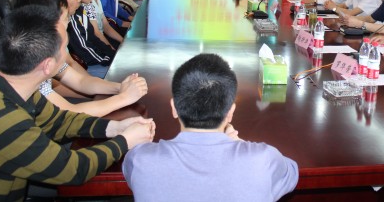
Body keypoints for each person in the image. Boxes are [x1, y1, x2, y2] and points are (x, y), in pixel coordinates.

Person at [0, 5, 155, 201]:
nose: (67, 56)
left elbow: (60, 121)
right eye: (63, 49)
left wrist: (114, 127)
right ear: (47, 65)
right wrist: (125, 141)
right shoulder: (2, 120)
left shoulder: (11, 86)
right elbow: (72, 169)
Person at [123, 53, 298, 202]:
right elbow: (291, 173)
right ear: (230, 113)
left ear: (174, 107)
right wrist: (239, 143)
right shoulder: (262, 160)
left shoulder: (141, 159)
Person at [0, 0, 148, 117]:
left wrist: (119, 87)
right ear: (46, 21)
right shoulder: (29, 59)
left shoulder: (44, 47)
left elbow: (81, 81)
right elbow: (69, 112)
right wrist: (123, 98)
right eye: (65, 18)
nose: (68, 22)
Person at [70, 0, 114, 78]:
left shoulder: (82, 10)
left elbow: (93, 37)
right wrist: (106, 59)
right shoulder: (72, 17)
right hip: (89, 64)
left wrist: (111, 54)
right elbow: (83, 47)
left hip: (98, 58)